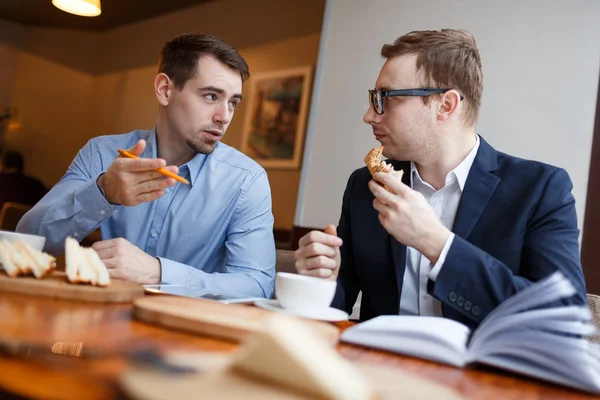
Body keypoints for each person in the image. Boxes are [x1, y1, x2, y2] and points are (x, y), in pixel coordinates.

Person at [294, 29, 586, 329]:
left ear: (446, 105)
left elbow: (565, 319)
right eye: (373, 98)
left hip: (479, 372)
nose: (369, 115)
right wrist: (322, 282)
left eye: (385, 98)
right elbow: (335, 306)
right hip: (373, 368)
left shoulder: (540, 190)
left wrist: (435, 242)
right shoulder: (364, 186)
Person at [18, 34, 276, 297]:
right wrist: (103, 191)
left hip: (184, 331)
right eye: (211, 96)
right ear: (165, 90)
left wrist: (159, 273)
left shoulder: (247, 181)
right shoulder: (101, 153)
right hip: (99, 320)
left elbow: (257, 286)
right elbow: (29, 239)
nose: (224, 117)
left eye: (233, 102)